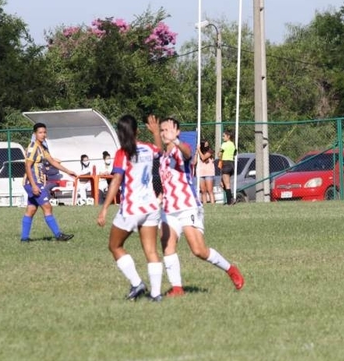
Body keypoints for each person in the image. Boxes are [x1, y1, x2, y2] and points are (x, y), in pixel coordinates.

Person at [148, 116, 244, 297]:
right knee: (167, 246)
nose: (164, 133)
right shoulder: (162, 158)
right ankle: (177, 288)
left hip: (188, 207)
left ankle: (231, 269)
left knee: (199, 250)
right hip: (169, 210)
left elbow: (187, 154)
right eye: (162, 130)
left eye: (168, 129)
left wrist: (175, 141)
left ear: (177, 132)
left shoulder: (180, 150)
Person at [96, 114, 164, 302]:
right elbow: (160, 149)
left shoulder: (122, 153)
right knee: (151, 251)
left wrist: (104, 208)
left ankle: (137, 283)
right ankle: (156, 294)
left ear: (119, 133)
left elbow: (116, 181)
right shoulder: (147, 148)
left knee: (115, 246)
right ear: (137, 131)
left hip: (132, 209)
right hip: (151, 207)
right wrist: (156, 132)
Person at [21, 123, 76, 242]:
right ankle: (58, 235)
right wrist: (34, 185)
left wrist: (68, 171)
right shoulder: (33, 147)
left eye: (44, 132)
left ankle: (24, 239)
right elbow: (27, 166)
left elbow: (52, 162)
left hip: (36, 182)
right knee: (47, 207)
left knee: (31, 209)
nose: (43, 134)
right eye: (40, 132)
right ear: (34, 134)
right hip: (33, 183)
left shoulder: (42, 147)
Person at [218, 130, 236, 205]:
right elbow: (235, 153)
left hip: (226, 164)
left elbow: (219, 154)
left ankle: (229, 201)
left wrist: (219, 154)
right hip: (231, 164)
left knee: (227, 184)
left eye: (223, 136)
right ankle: (231, 197)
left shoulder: (224, 144)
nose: (223, 138)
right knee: (222, 184)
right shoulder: (233, 145)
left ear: (228, 136)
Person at [197, 139, 216, 204]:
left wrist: (199, 150)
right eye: (205, 144)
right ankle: (204, 204)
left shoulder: (210, 151)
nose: (207, 146)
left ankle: (213, 204)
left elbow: (203, 158)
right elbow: (194, 162)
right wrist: (197, 153)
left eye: (207, 144)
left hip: (209, 173)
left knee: (209, 190)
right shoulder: (199, 152)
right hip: (201, 173)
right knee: (203, 191)